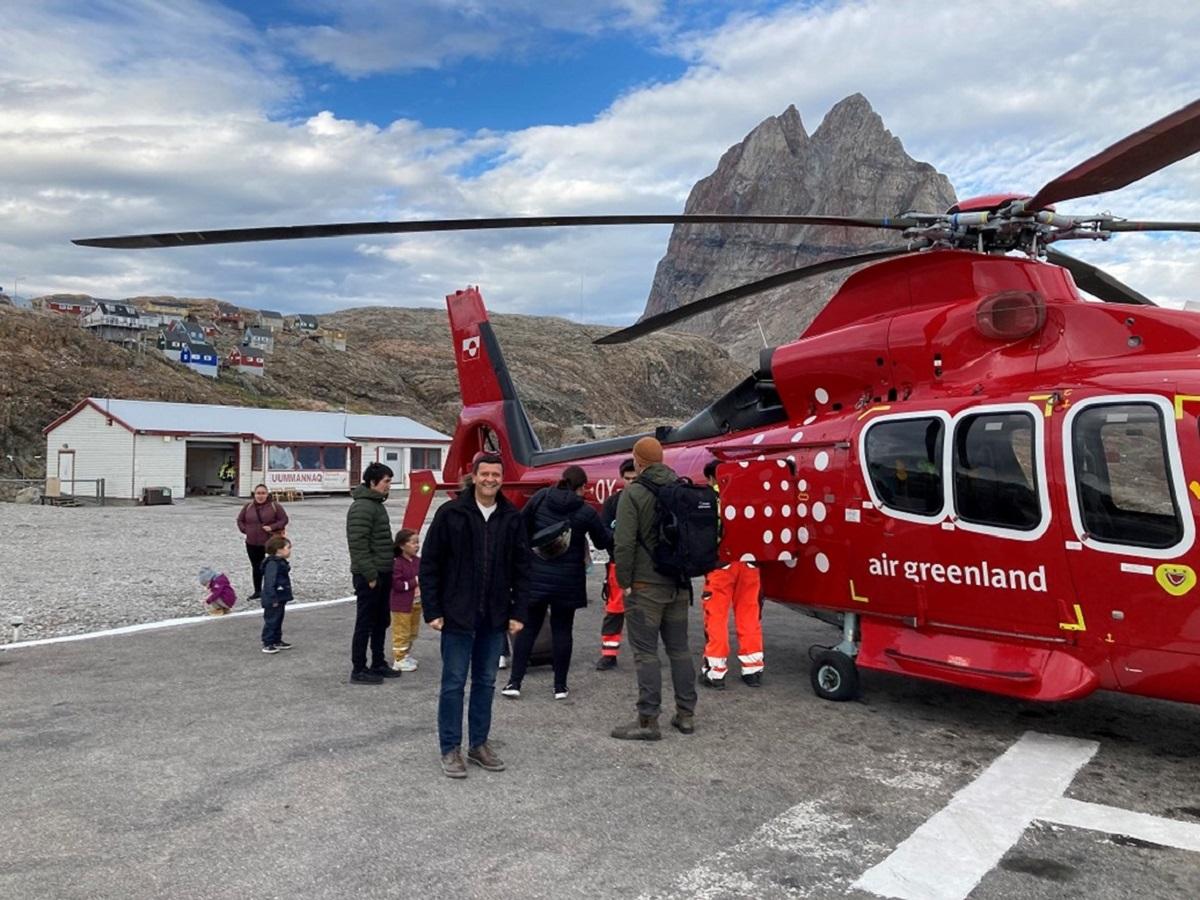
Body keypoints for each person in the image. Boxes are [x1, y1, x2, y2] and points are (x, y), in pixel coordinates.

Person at [421, 452, 529, 779]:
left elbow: (523, 569)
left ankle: (478, 744)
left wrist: (518, 611)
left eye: (496, 475)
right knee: (453, 683)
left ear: (502, 478)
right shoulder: (451, 514)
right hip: (456, 615)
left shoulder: (511, 517)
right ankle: (450, 747)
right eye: (485, 474)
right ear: (475, 475)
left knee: (485, 682)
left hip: (494, 617)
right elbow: (430, 564)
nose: (490, 480)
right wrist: (433, 609)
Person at [610, 437, 697, 740]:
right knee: (680, 649)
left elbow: (623, 544)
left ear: (638, 462)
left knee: (646, 653)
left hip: (646, 586)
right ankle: (686, 715)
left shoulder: (633, 493)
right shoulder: (681, 488)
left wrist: (624, 582)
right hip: (678, 584)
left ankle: (647, 721)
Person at [503, 465, 611, 701]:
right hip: (568, 581)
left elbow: (521, 524)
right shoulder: (586, 510)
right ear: (582, 487)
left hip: (536, 575)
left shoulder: (542, 497)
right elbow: (602, 542)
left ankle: (515, 682)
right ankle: (560, 686)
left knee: (528, 629)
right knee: (563, 631)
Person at [699, 458, 764, 689]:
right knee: (749, 615)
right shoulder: (750, 495)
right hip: (751, 563)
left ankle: (715, 672)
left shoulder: (711, 499)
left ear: (711, 478)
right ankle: (753, 669)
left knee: (716, 616)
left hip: (721, 564)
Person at [347, 462, 401, 684]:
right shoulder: (362, 507)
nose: (389, 485)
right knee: (365, 622)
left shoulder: (376, 505)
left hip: (383, 571)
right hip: (370, 575)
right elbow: (358, 545)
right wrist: (370, 575)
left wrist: (398, 551)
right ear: (372, 482)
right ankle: (359, 668)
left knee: (381, 621)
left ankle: (378, 662)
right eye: (386, 481)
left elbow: (379, 541)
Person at [596, 458, 637, 670]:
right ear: (622, 479)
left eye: (635, 478)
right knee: (614, 609)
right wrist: (621, 540)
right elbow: (603, 530)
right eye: (628, 479)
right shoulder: (612, 503)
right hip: (618, 563)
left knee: (646, 610)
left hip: (643, 565)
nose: (631, 482)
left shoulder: (649, 500)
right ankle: (609, 653)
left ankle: (645, 652)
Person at [236, 484, 289, 600]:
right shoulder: (248, 507)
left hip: (270, 542)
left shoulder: (275, 506)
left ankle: (274, 588)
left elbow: (284, 520)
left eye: (263, 493)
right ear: (254, 494)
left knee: (273, 566)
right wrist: (245, 530)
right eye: (258, 493)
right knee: (256, 567)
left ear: (267, 494)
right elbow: (240, 520)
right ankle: (258, 591)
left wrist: (272, 527)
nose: (260, 496)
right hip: (252, 542)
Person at [390, 528, 422, 673]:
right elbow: (397, 585)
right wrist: (414, 582)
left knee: (412, 631)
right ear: (402, 545)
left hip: (416, 602)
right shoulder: (397, 563)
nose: (417, 546)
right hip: (401, 604)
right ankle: (399, 659)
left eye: (418, 542)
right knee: (401, 631)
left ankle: (406, 654)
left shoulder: (418, 561)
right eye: (413, 543)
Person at [260, 535, 294, 653]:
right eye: (288, 548)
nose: (289, 550)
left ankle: (276, 640)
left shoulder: (279, 562)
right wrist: (273, 598)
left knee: (278, 619)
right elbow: (270, 582)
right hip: (274, 597)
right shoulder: (273, 564)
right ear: (279, 550)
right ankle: (268, 642)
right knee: (272, 620)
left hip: (280, 596)